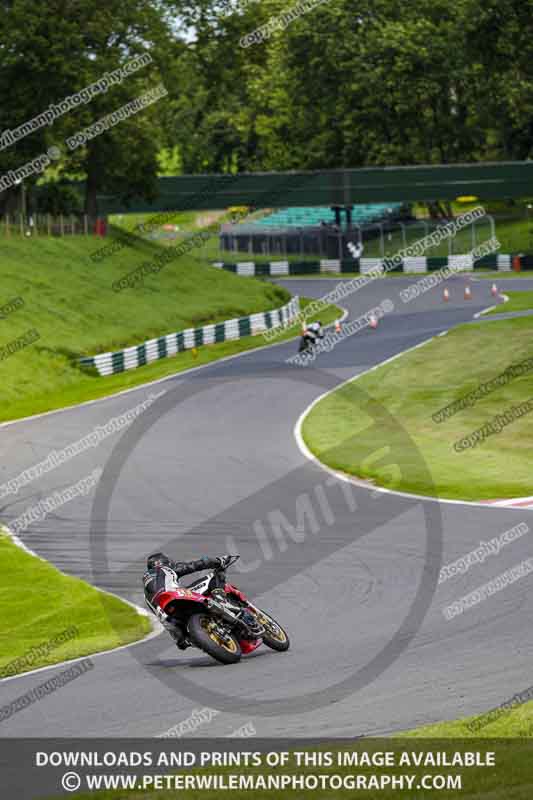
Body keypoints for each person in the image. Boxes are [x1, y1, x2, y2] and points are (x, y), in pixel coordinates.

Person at [143, 552, 231, 649]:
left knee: (184, 639)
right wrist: (219, 561)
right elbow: (194, 565)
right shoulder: (164, 569)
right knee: (214, 576)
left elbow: (159, 615)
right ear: (164, 562)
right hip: (177, 596)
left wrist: (179, 639)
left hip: (169, 615)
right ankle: (220, 599)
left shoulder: (146, 593)